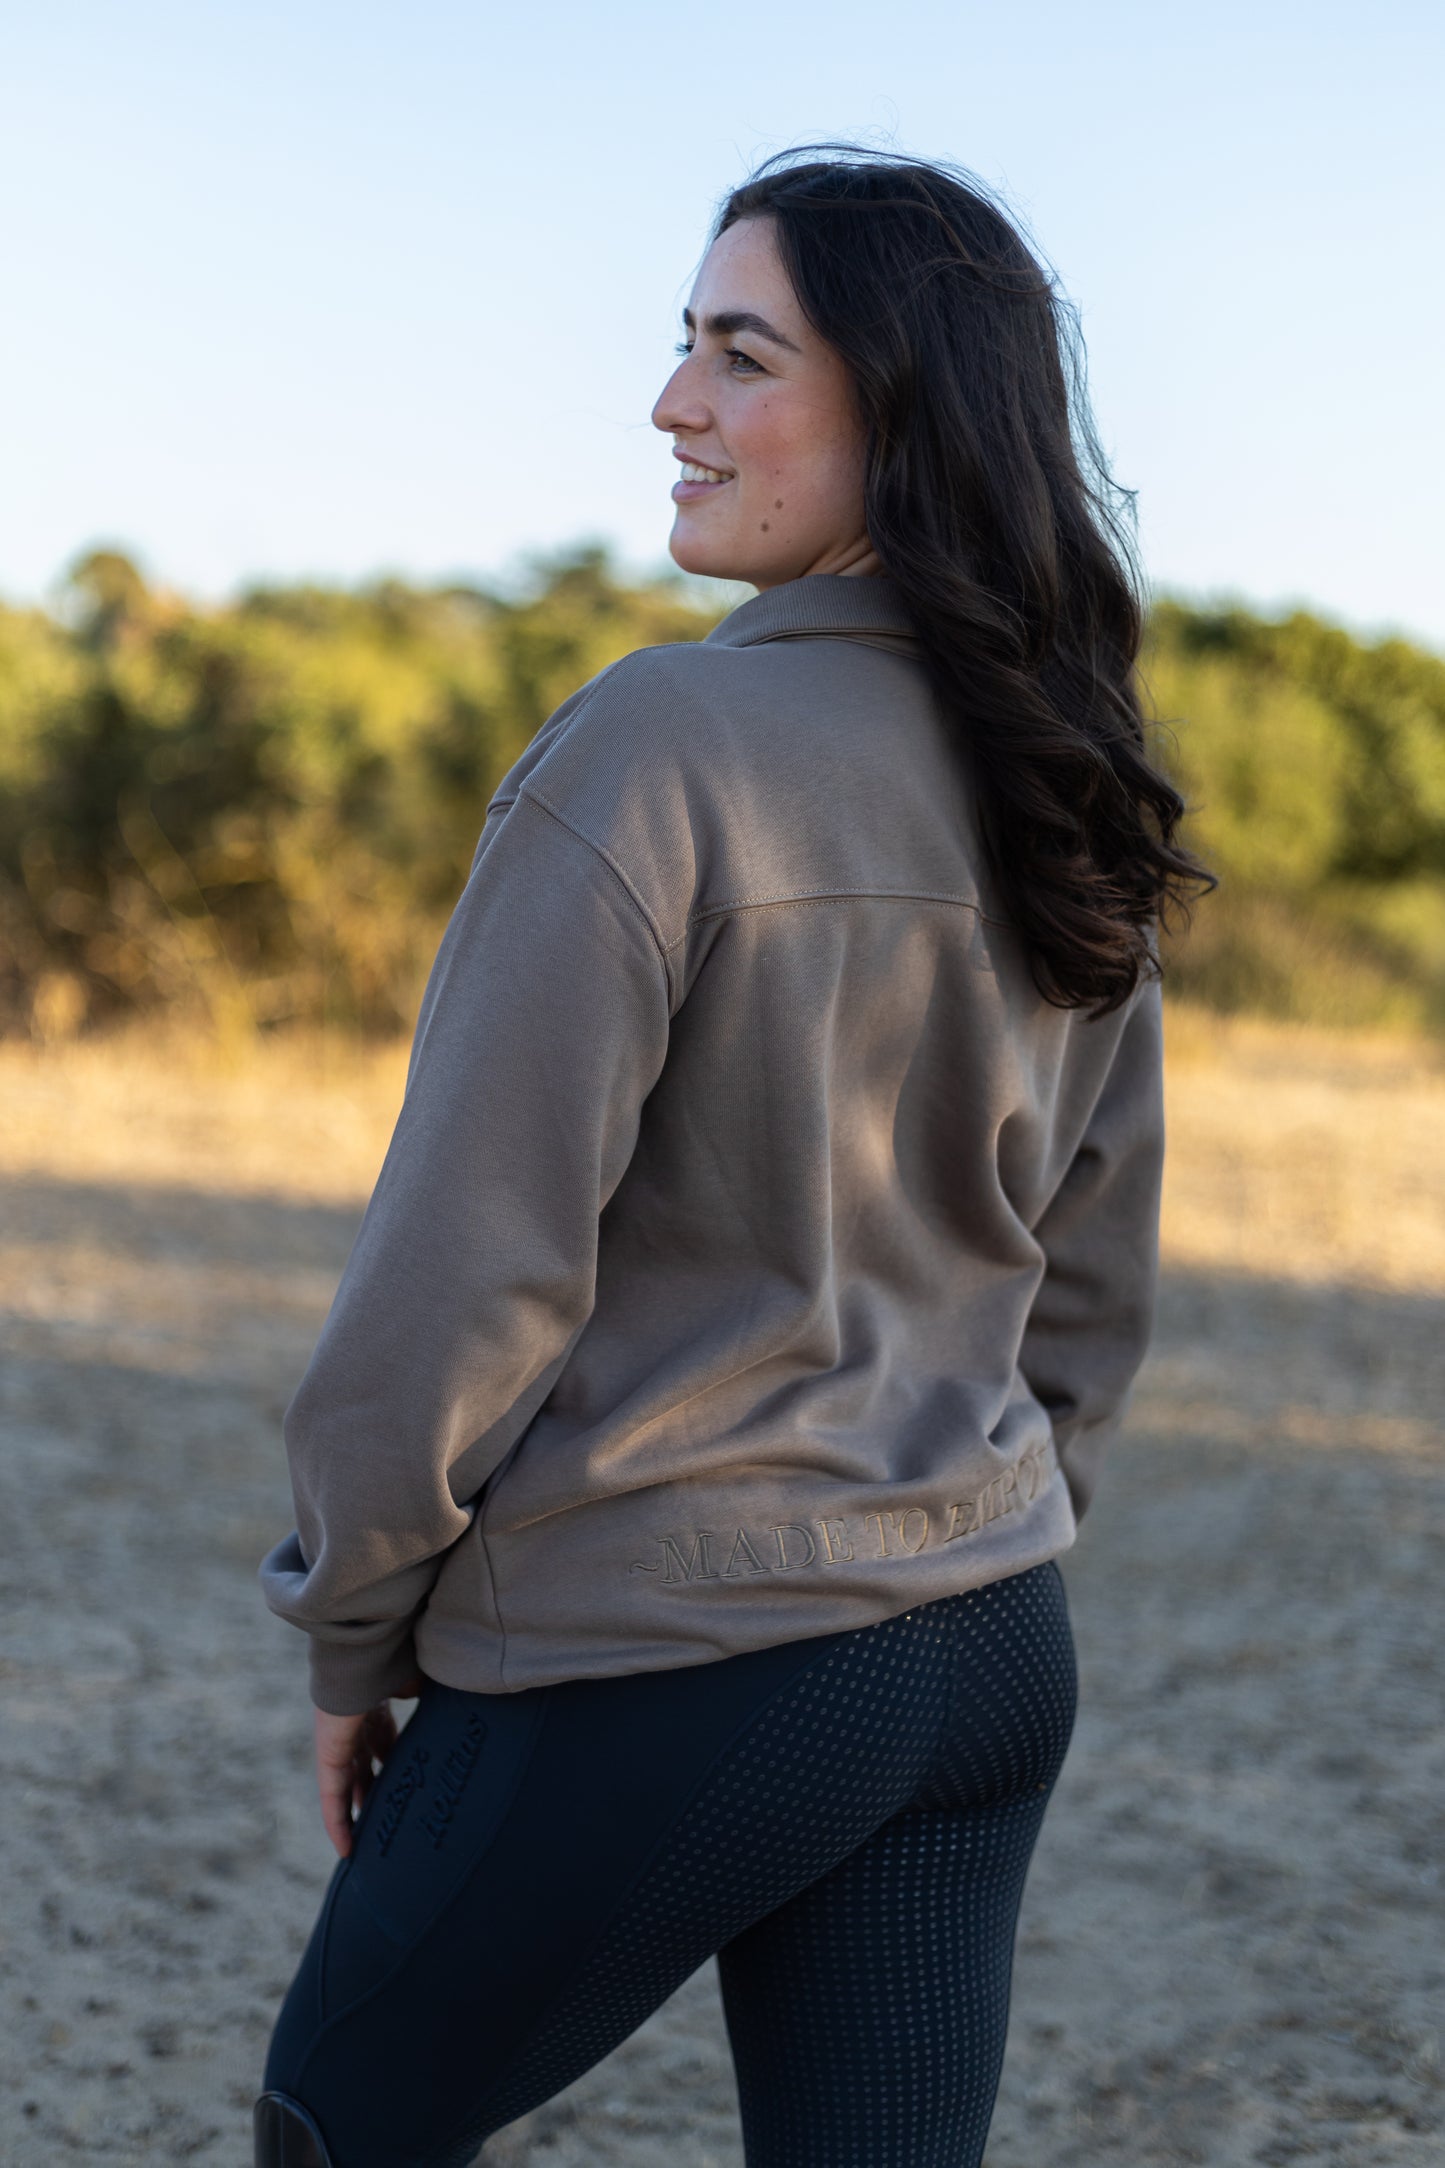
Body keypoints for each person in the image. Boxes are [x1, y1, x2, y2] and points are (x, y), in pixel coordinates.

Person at [253, 147, 1207, 2168]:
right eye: (683, 347)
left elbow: (461, 1273)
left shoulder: (652, 747)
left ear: (905, 409)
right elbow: (1093, 1264)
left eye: (739, 354)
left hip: (689, 1659)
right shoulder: (1063, 767)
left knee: (342, 2124)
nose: (675, 403)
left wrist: (357, 1625)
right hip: (988, 1646)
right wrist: (972, 1514)